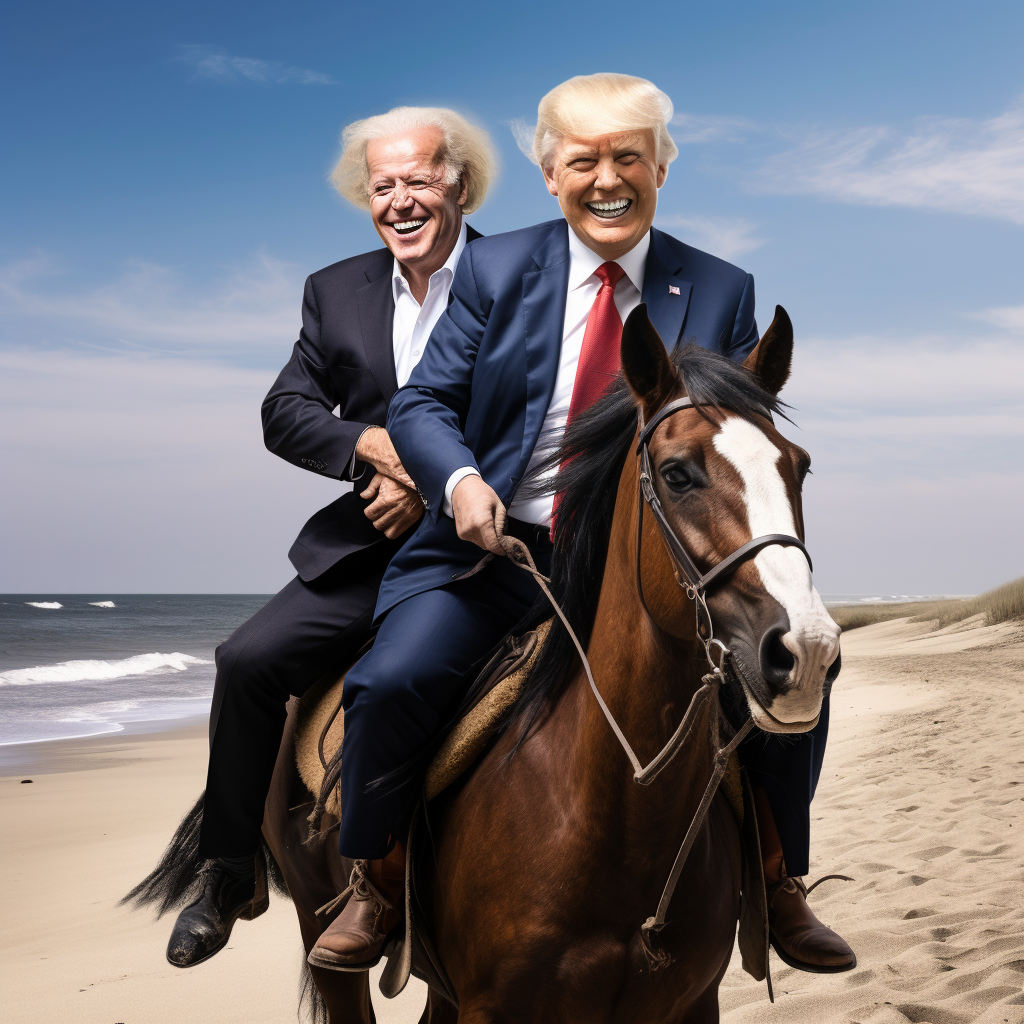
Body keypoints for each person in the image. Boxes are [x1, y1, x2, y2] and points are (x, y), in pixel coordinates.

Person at [310, 73, 853, 976]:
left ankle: (781, 883)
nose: (608, 180)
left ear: (661, 170)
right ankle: (377, 882)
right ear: (550, 174)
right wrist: (463, 483)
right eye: (584, 161)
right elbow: (422, 404)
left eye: (628, 158)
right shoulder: (490, 268)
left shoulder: (720, 288)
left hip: (651, 562)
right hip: (497, 551)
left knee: (792, 674)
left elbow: (738, 434)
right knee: (392, 682)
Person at [165, 106, 497, 968]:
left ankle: (767, 879)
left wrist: (431, 479)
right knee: (244, 662)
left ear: (458, 182)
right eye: (381, 186)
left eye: (418, 179)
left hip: (487, 539)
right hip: (367, 544)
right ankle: (230, 868)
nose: (400, 200)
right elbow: (285, 411)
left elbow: (551, 411)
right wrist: (369, 448)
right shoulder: (334, 288)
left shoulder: (523, 275)